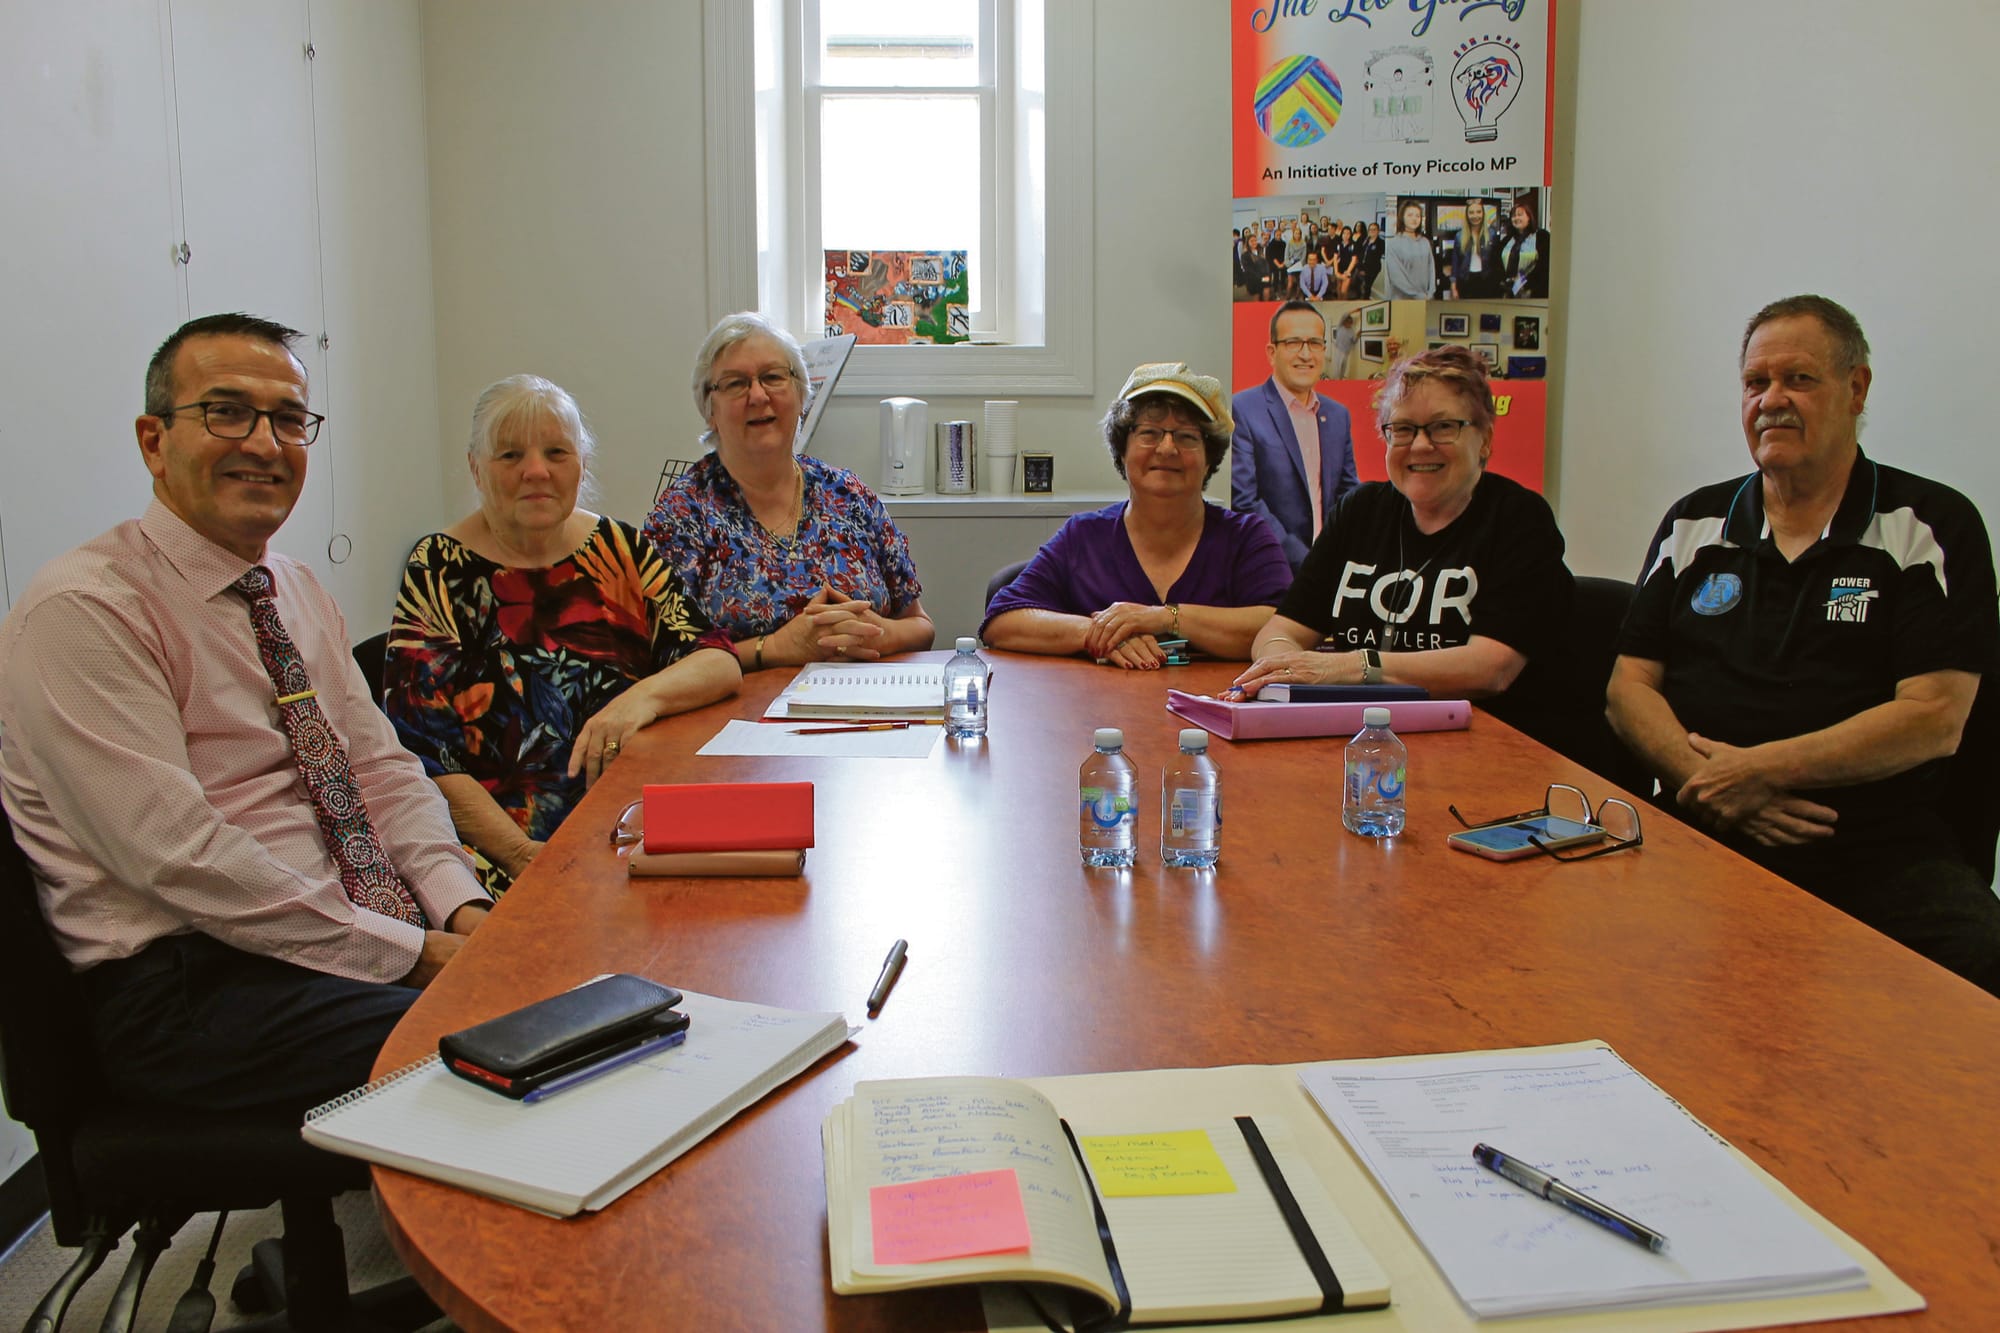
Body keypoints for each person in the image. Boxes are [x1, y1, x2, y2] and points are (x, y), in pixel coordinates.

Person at [0, 313, 489, 1113]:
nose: (265, 443)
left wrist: (460, 908)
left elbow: (380, 771)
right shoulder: (84, 610)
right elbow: (182, 858)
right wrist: (413, 954)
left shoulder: (293, 587)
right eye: (227, 412)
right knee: (510, 1039)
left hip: (333, 931)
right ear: (154, 441)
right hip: (190, 981)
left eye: (289, 419)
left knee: (576, 991)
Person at [1607, 295, 2000, 995]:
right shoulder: (1694, 521)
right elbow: (1628, 687)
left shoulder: (1928, 525)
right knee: (1577, 938)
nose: (1772, 401)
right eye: (1756, 382)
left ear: (1857, 389)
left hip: (1873, 845)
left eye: (1799, 379)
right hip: (1701, 821)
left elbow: (1935, 716)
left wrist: (1759, 771)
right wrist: (1712, 784)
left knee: (1979, 967)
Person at [385, 376, 740, 895]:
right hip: (500, 851)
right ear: (476, 468)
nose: (536, 471)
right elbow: (421, 755)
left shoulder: (620, 548)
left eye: (556, 452)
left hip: (632, 829)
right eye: (510, 455)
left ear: (582, 464)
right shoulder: (438, 568)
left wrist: (636, 700)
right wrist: (522, 855)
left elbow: (718, 661)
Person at [1232, 346, 1573, 738]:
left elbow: (1491, 669)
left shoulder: (1519, 519)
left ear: (1484, 440)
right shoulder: (1359, 511)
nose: (1421, 445)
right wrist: (1281, 669)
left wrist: (1352, 666)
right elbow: (1282, 630)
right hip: (1360, 738)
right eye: (1404, 429)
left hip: (1484, 745)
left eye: (1443, 427)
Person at [644, 312, 934, 670]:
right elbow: (658, 660)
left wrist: (879, 633)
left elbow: (920, 625)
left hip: (863, 696)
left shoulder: (850, 495)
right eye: (735, 384)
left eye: (773, 377)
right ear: (710, 410)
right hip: (747, 704)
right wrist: (775, 647)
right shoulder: (681, 516)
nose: (757, 395)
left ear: (801, 395)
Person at [983, 363, 1290, 667]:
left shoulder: (1246, 537)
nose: (1167, 449)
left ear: (1210, 459)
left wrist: (1164, 618)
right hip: (1100, 701)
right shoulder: (1083, 537)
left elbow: (1284, 628)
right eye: (1149, 433)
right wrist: (1098, 633)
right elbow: (1002, 621)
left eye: (1186, 437)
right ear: (1122, 450)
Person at [1231, 300, 1359, 571]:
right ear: (1272, 352)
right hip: (1271, 569)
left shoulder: (1338, 415)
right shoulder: (1242, 410)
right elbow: (1245, 501)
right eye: (1293, 343)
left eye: (1314, 343)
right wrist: (1306, 562)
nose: (1305, 354)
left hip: (1331, 567)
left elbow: (1348, 493)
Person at [1498, 199, 1551, 299]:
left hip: (1532, 291)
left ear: (1529, 217)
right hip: (1508, 292)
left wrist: (1525, 283)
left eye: (1520, 214)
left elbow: (1545, 266)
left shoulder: (1542, 237)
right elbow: (1498, 264)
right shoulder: (1506, 240)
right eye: (1513, 215)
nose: (1516, 218)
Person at [1384, 200, 1435, 301]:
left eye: (1418, 216)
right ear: (1402, 217)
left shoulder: (1425, 242)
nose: (1414, 219)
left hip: (1425, 298)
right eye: (1410, 215)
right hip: (1402, 299)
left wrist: (1431, 293)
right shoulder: (1394, 243)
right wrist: (1418, 296)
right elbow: (1397, 277)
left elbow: (1431, 269)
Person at [1450, 199, 1500, 299]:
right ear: (1467, 215)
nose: (1475, 216)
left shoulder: (1492, 234)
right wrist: (1453, 287)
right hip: (1465, 281)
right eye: (1471, 212)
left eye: (1478, 212)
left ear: (1483, 214)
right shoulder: (1459, 236)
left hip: (1486, 281)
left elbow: (1496, 263)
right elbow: (1455, 263)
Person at [1359, 220, 1385, 300]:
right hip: (1363, 267)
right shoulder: (1366, 240)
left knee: (1367, 286)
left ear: (1378, 231)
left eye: (1374, 229)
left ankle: (1365, 300)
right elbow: (1362, 254)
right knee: (1360, 285)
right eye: (1370, 229)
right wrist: (1361, 268)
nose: (1372, 231)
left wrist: (1365, 270)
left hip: (1372, 269)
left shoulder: (1381, 243)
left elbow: (1375, 259)